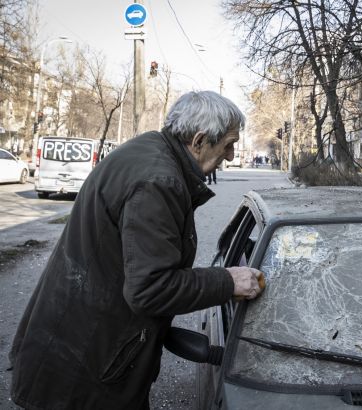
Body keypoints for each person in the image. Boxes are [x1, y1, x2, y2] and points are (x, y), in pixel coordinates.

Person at [9, 91, 264, 409]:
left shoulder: (149, 152)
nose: (230, 154)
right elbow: (150, 289)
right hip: (86, 367)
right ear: (199, 141)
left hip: (77, 347)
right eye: (227, 144)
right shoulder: (157, 182)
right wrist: (227, 282)